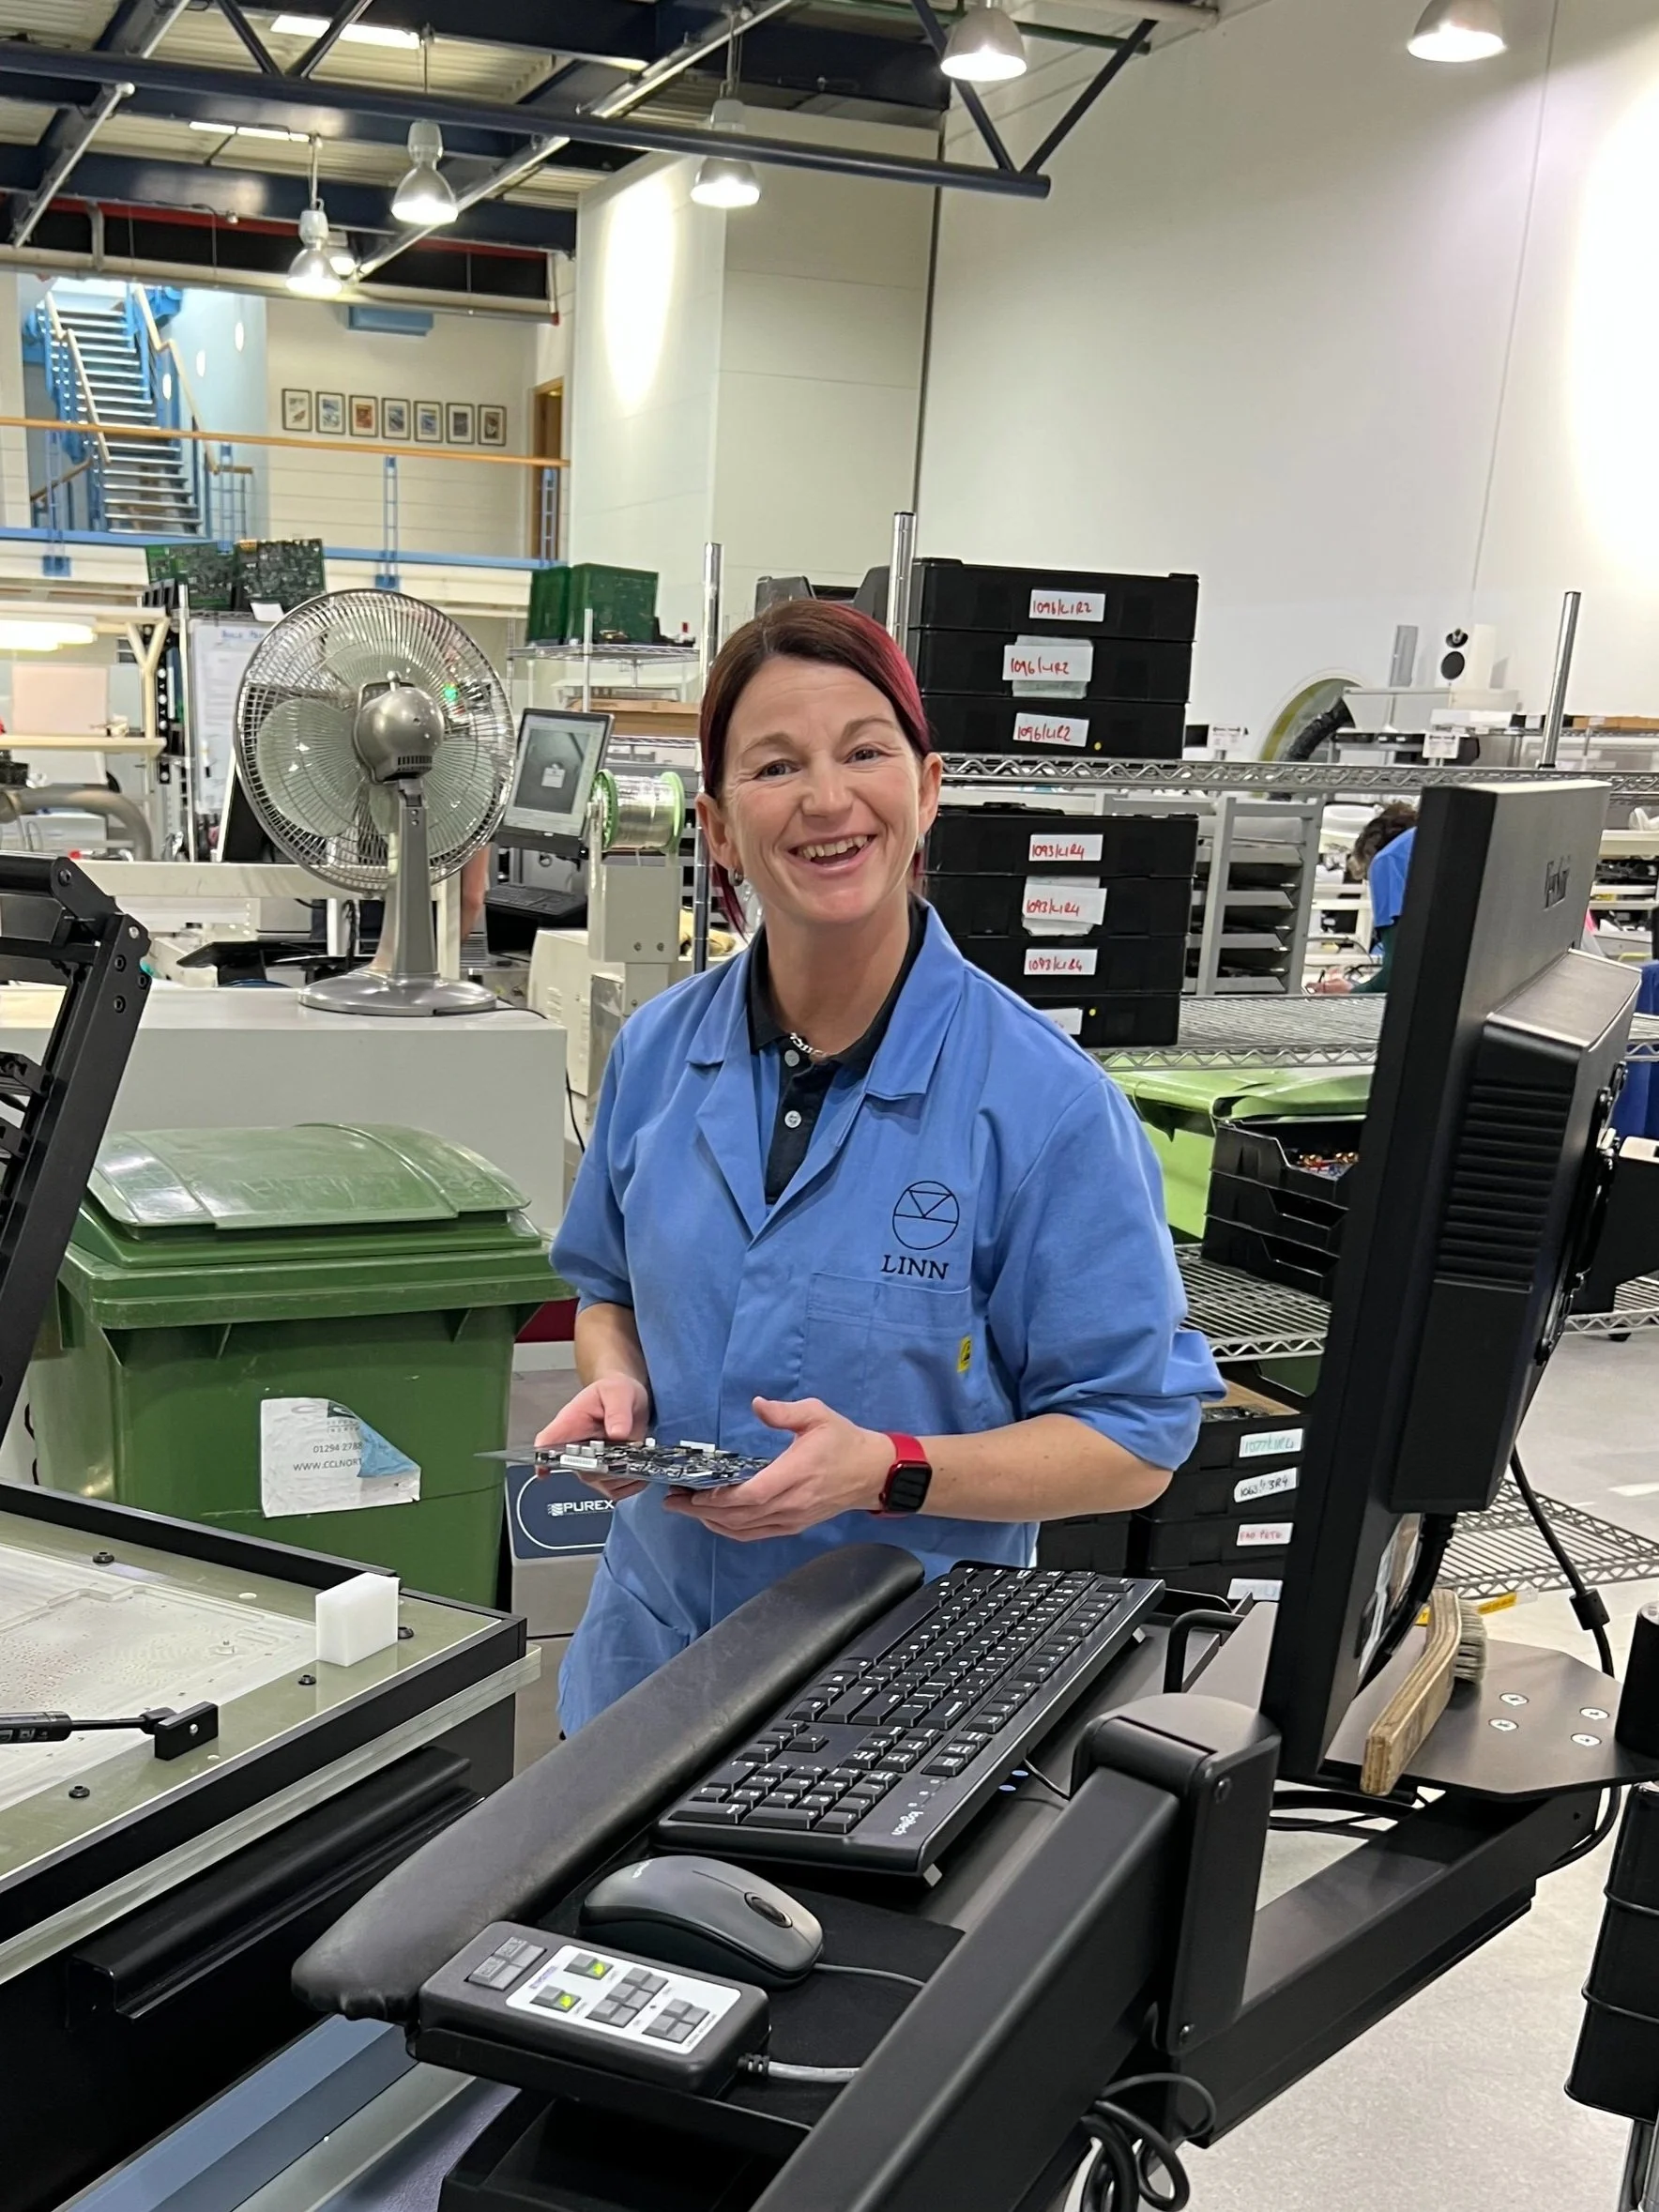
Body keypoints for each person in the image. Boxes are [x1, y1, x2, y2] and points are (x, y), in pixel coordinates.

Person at [541, 600, 1223, 1734]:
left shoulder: (1046, 1107)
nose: (824, 798)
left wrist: (888, 1470)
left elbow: (1131, 1442)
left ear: (927, 789)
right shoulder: (659, 1052)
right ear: (717, 827)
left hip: (896, 1704)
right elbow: (604, 1288)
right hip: (643, 1677)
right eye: (774, 765)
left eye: (864, 751)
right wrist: (617, 1388)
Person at [1314, 807, 1416, 996]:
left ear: (1369, 851)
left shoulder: (1387, 861)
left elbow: (1397, 972)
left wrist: (1353, 991)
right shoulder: (1430, 842)